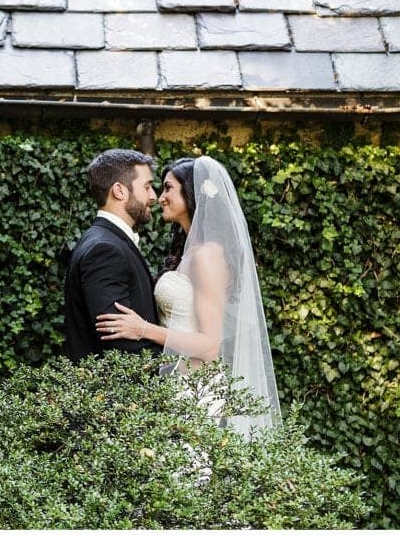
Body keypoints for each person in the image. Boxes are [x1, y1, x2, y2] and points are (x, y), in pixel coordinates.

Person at [96, 156, 281, 433]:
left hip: (196, 392)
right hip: (176, 385)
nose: (160, 198)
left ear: (192, 193)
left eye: (168, 188)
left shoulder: (207, 255)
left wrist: (144, 329)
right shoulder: (188, 251)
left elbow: (209, 346)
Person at [63, 148, 163, 362]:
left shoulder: (106, 240)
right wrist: (178, 361)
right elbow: (119, 342)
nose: (153, 196)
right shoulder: (105, 250)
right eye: (147, 187)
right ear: (119, 190)